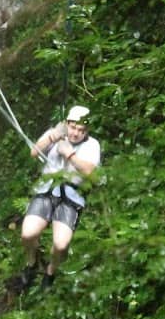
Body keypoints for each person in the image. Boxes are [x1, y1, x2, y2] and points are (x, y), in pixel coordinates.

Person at [15, 105, 101, 291]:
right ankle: (32, 263)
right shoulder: (57, 133)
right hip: (46, 191)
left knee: (61, 245)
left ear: (87, 131)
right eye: (73, 127)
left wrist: (69, 153)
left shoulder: (92, 145)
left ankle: (51, 271)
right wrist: (52, 137)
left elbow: (90, 172)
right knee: (27, 234)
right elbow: (34, 152)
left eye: (81, 130)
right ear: (67, 124)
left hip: (71, 197)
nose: (76, 133)